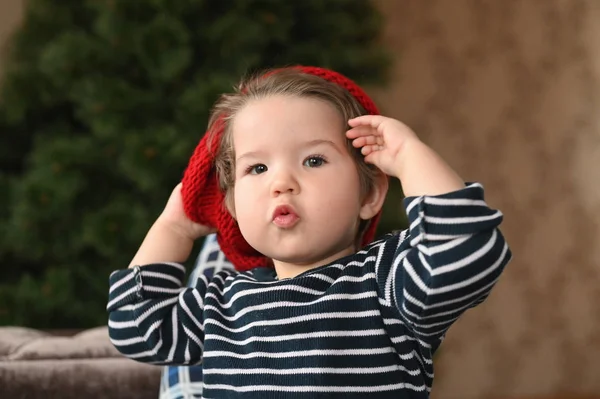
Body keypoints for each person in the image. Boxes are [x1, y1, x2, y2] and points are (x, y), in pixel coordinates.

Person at [107, 66, 511, 398]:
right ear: (232, 206)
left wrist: (409, 157)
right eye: (257, 168)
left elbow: (464, 251)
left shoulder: (386, 283)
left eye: (314, 160)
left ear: (369, 194)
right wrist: (174, 226)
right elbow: (137, 327)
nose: (281, 182)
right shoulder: (222, 304)